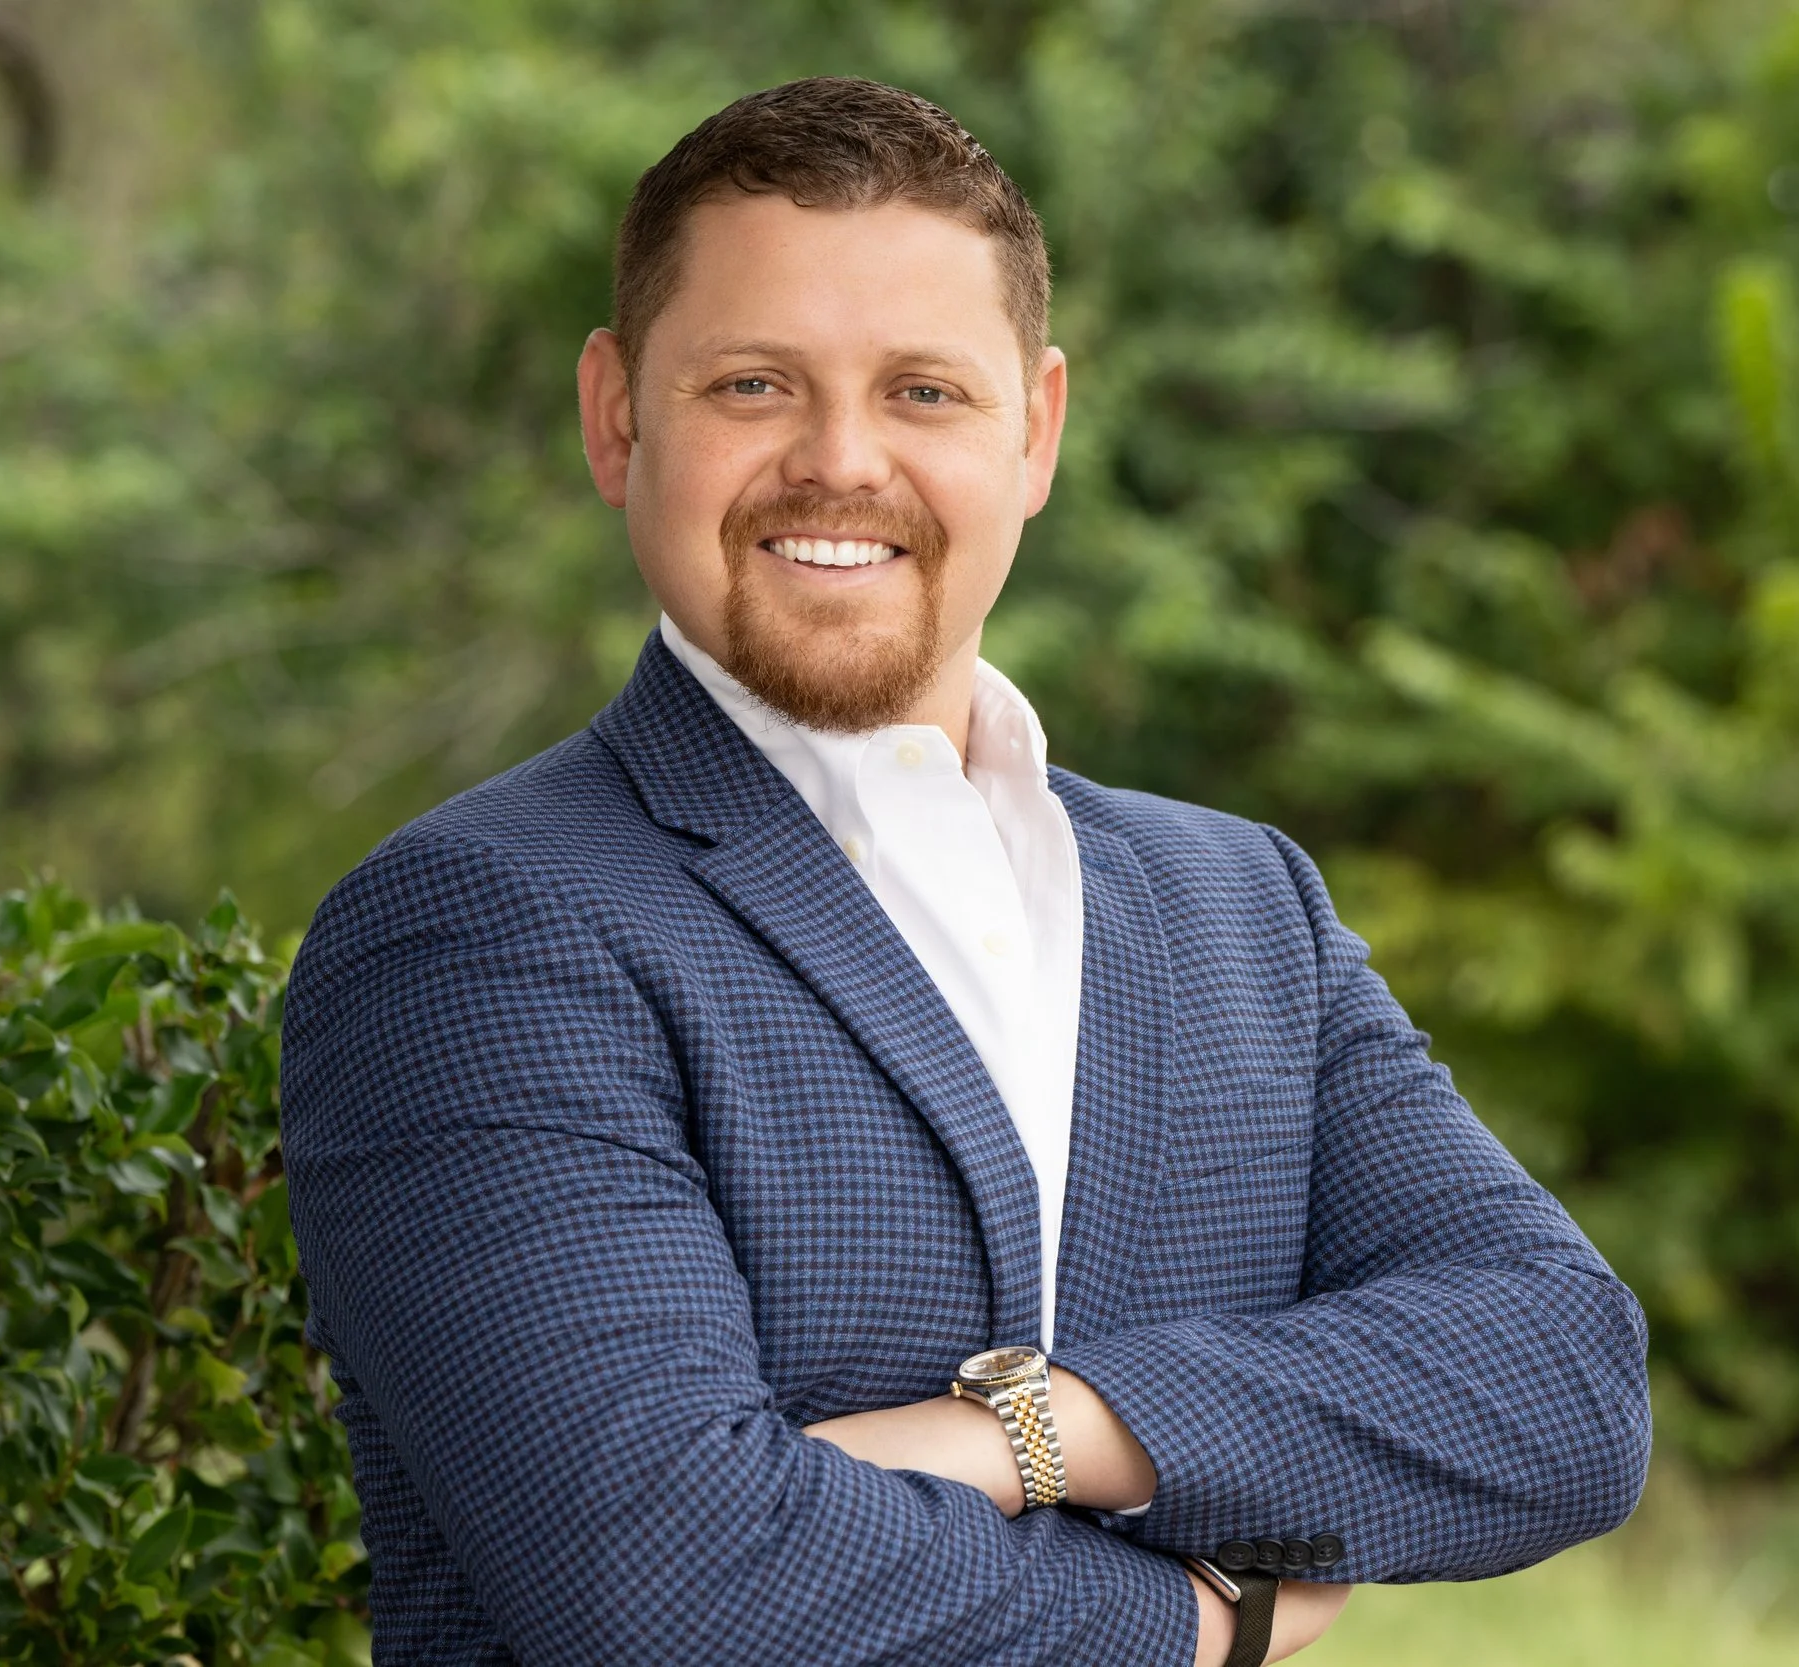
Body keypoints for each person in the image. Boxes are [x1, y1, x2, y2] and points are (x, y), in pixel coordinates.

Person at [278, 76, 1651, 1667]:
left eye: (924, 391)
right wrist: (1194, 1629)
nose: (839, 460)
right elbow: (665, 1582)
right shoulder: (478, 927)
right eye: (753, 384)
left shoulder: (1242, 906)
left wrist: (1034, 1431)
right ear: (616, 416)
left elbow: (1567, 1380)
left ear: (1038, 431)